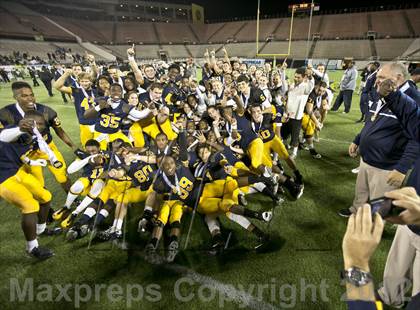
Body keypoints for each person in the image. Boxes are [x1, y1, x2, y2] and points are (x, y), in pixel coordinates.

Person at [339, 63, 419, 217]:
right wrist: (358, 139)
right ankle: (356, 210)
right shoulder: (382, 92)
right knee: (361, 191)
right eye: (377, 77)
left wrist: (402, 167)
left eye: (382, 78)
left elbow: (416, 139)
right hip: (367, 158)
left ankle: (374, 226)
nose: (377, 81)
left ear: (398, 78)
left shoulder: (414, 99)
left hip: (387, 164)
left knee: (380, 203)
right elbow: (371, 119)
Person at [0, 111, 55, 259]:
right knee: (30, 205)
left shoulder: (34, 136)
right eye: (40, 124)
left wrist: (34, 162)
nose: (43, 127)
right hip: (3, 177)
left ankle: (41, 229)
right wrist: (20, 129)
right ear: (29, 122)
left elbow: (21, 153)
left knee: (45, 196)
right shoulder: (12, 129)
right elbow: (3, 137)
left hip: (16, 171)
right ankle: (32, 248)